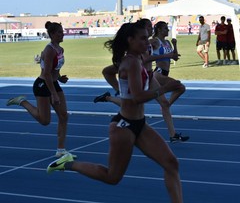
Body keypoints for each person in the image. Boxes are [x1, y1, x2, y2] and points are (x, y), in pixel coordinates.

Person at [47, 22, 184, 203]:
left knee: (171, 163)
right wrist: (165, 88)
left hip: (139, 124)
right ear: (130, 40)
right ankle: (68, 163)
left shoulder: (138, 60)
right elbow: (137, 97)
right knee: (112, 177)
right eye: (143, 38)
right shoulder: (130, 63)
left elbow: (108, 72)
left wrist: (121, 89)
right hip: (124, 127)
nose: (147, 42)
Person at [95, 19, 189, 143]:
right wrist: (119, 88)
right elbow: (144, 59)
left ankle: (173, 135)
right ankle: (111, 97)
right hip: (144, 78)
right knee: (131, 103)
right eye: (149, 27)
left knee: (163, 104)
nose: (151, 29)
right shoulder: (138, 51)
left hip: (150, 77)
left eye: (151, 27)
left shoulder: (147, 44)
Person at [6, 21, 73, 158]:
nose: (63, 34)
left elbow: (55, 69)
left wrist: (60, 78)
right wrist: (53, 94)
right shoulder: (49, 50)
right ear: (53, 34)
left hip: (54, 83)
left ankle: (61, 150)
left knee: (64, 115)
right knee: (45, 121)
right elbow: (46, 73)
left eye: (62, 31)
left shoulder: (60, 49)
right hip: (43, 84)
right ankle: (22, 102)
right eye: (60, 32)